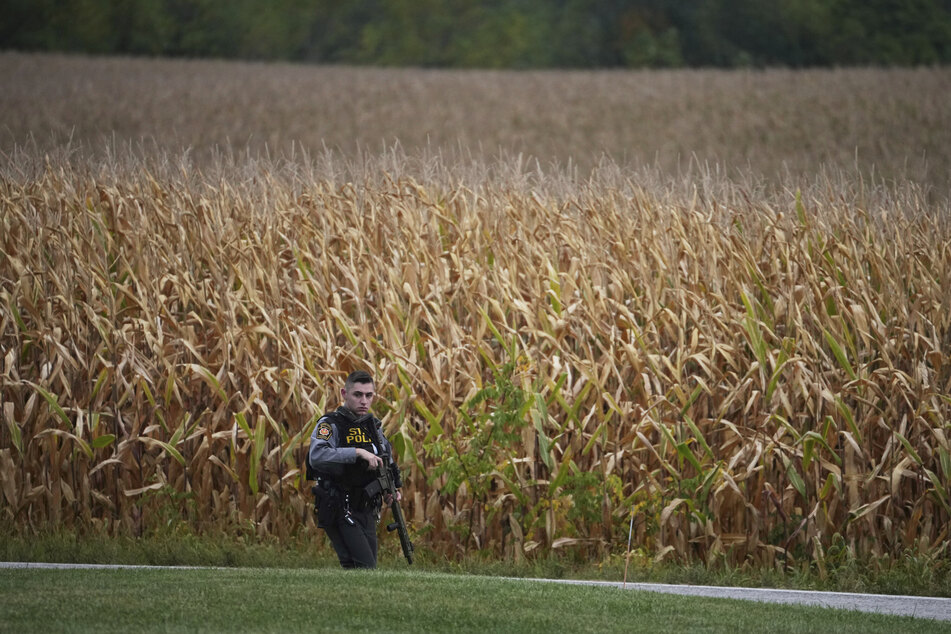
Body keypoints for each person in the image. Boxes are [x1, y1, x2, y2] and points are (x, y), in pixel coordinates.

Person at [307, 370, 402, 568]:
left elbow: (386, 459)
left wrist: (390, 490)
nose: (364, 401)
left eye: (369, 395)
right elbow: (316, 456)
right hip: (339, 504)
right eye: (357, 394)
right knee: (365, 566)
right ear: (344, 394)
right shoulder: (330, 424)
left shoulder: (372, 427)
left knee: (358, 567)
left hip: (366, 507)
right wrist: (357, 452)